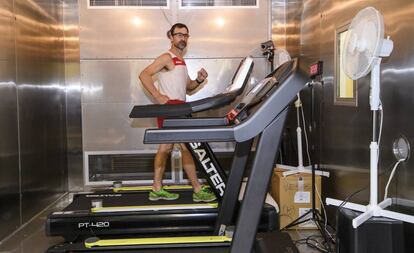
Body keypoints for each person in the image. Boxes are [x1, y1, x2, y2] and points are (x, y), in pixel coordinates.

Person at [139, 23, 217, 202]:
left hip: (180, 107)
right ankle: (196, 189)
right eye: (179, 35)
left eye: (186, 35)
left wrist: (198, 79)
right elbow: (144, 74)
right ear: (171, 37)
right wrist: (157, 95)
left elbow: (188, 88)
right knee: (182, 147)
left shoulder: (181, 61)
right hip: (171, 108)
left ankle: (158, 188)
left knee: (170, 147)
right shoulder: (167, 57)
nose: (183, 38)